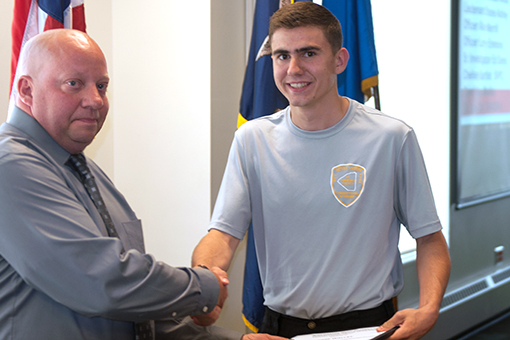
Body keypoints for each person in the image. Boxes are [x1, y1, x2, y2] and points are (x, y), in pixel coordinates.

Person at [0, 29, 286, 340]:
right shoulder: (6, 167)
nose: (95, 100)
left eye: (101, 86)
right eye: (74, 83)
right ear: (26, 90)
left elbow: (132, 312)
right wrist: (203, 287)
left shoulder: (84, 171)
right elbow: (98, 283)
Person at [192, 2, 451, 340]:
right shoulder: (251, 139)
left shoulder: (392, 138)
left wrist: (430, 308)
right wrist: (203, 280)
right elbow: (222, 235)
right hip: (279, 330)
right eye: (282, 56)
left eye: (308, 53)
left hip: (368, 328)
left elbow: (429, 238)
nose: (293, 68)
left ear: (339, 60)